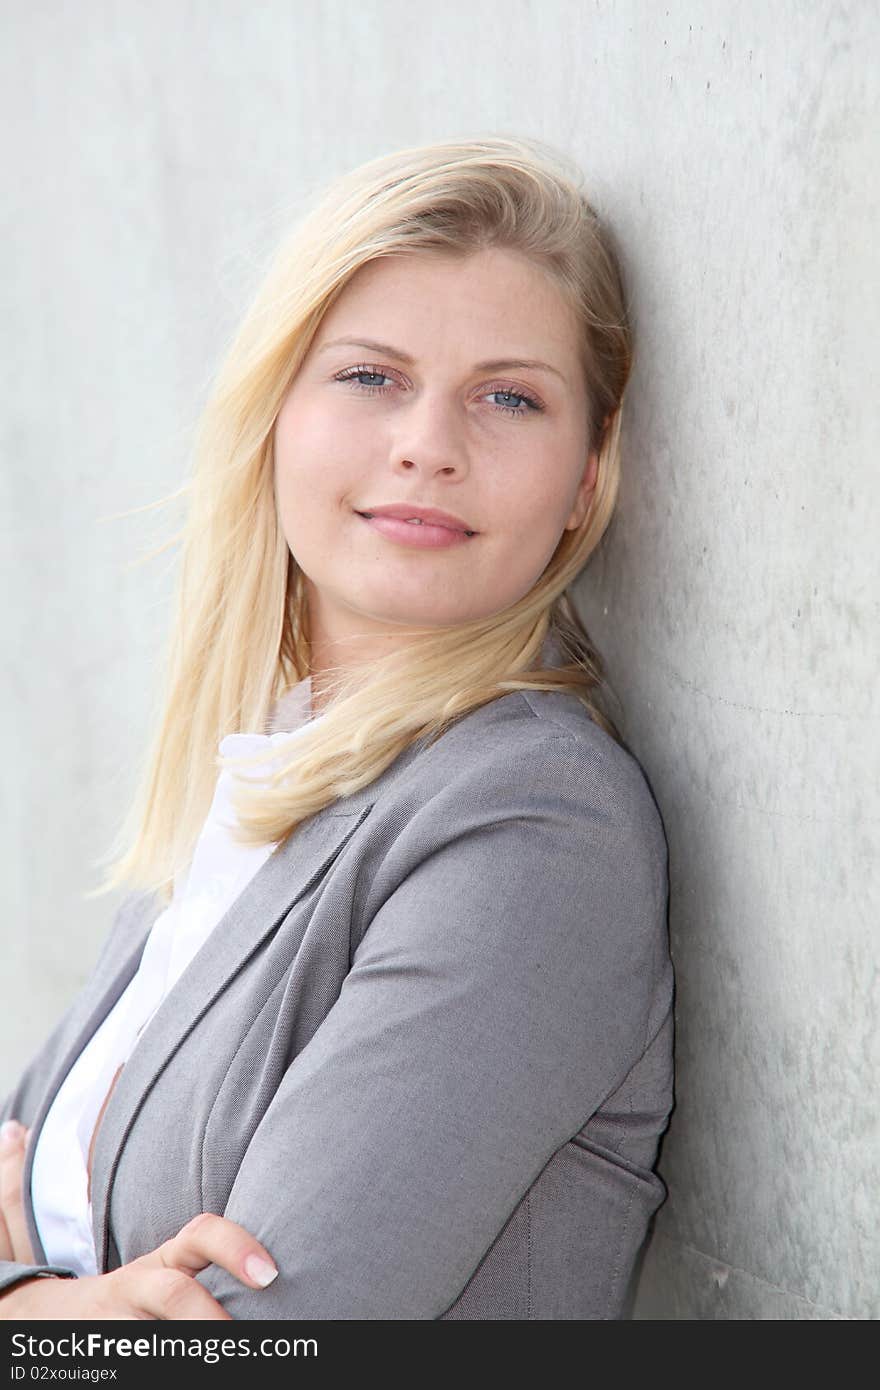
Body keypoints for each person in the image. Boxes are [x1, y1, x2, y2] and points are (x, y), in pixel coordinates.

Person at [0, 134, 674, 1320]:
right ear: (273, 415)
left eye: (508, 396)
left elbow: (261, 1341)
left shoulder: (530, 824)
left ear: (586, 475)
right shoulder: (261, 773)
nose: (427, 442)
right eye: (369, 376)